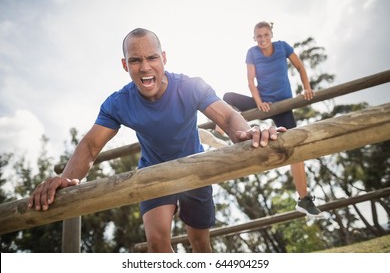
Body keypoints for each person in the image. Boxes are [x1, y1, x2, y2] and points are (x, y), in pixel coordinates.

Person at [28, 28, 284, 253]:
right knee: (157, 244)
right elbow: (91, 145)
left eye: (152, 57)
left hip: (196, 167)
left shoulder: (190, 86)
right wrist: (68, 176)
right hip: (153, 171)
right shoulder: (118, 102)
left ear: (164, 58)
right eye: (135, 60)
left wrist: (246, 132)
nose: (145, 66)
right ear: (125, 65)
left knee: (201, 246)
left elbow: (227, 117)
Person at [222, 21, 322, 217]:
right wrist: (259, 103)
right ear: (254, 38)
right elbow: (250, 81)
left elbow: (300, 67)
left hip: (282, 107)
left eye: (266, 35)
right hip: (262, 104)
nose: (263, 39)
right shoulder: (252, 52)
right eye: (259, 36)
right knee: (228, 98)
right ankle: (222, 129)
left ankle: (304, 199)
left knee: (295, 149)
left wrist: (307, 87)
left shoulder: (283, 47)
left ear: (271, 34)